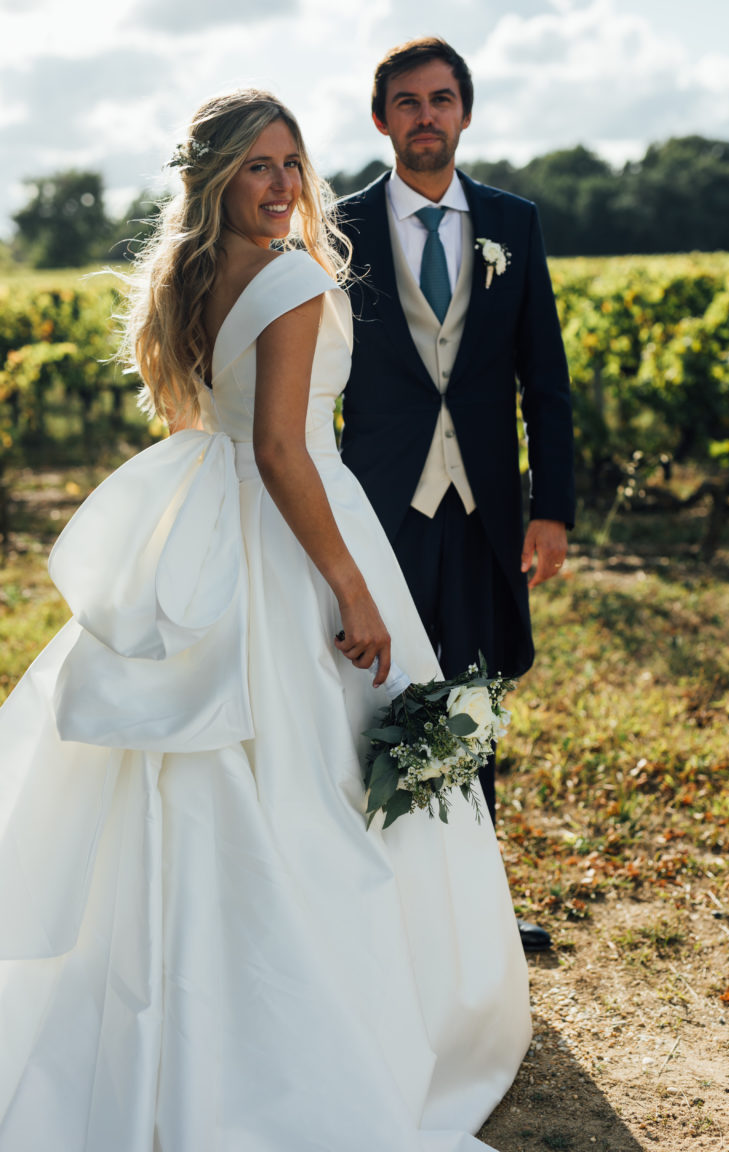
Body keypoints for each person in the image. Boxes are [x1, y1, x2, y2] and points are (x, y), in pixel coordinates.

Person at [0, 89, 532, 1151]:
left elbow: (216, 425)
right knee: (315, 776)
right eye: (258, 166)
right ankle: (337, 1007)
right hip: (290, 530)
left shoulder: (187, 275)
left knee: (211, 768)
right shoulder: (291, 276)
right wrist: (350, 584)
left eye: (292, 162)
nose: (283, 183)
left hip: (209, 521)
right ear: (218, 178)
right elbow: (285, 451)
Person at [338, 38, 575, 949]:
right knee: (377, 694)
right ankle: (381, 904)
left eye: (441, 100)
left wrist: (550, 507)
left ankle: (475, 906)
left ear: (465, 113)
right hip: (379, 504)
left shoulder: (513, 223)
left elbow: (543, 379)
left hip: (485, 507)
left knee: (474, 698)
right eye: (407, 102)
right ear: (380, 119)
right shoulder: (340, 226)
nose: (425, 116)